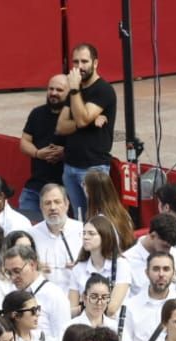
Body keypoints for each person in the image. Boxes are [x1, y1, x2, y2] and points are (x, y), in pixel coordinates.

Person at [56, 44, 115, 219]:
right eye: (75, 62)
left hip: (93, 167)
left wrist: (74, 90)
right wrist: (87, 123)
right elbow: (61, 127)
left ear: (95, 63)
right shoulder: (76, 91)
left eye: (84, 61)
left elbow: (81, 119)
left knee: (97, 219)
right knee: (79, 218)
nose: (79, 66)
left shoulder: (103, 89)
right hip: (70, 167)